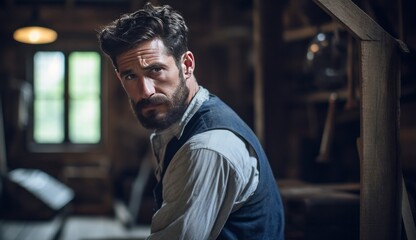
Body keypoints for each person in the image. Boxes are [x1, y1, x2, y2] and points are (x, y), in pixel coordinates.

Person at [98, 3, 285, 239]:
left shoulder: (206, 148)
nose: (145, 91)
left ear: (186, 65)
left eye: (156, 70)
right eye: (130, 76)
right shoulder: (185, 123)